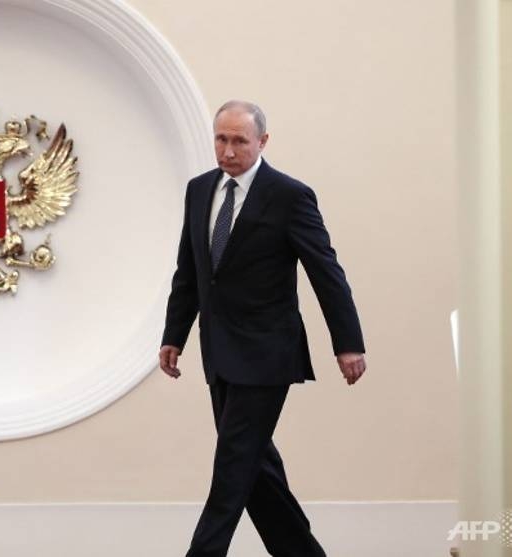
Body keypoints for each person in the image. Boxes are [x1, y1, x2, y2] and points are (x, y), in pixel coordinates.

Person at [159, 100, 366, 556]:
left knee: (233, 466)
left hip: (267, 353)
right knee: (256, 468)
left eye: (239, 141)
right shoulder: (199, 190)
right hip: (219, 351)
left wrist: (348, 343)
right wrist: (174, 335)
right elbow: (190, 271)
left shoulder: (289, 195)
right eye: (221, 139)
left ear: (262, 142)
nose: (228, 151)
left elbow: (325, 270)